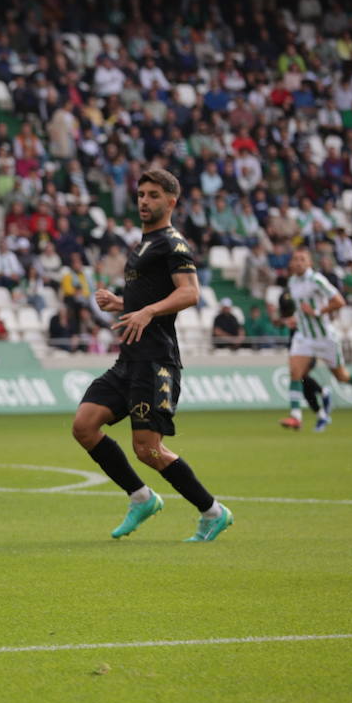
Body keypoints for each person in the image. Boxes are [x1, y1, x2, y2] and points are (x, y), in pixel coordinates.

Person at [71, 170, 234, 542]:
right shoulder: (143, 244)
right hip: (128, 360)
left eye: (153, 195)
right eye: (141, 194)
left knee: (148, 449)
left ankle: (213, 511)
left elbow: (190, 293)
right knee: (84, 426)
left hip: (156, 362)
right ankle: (141, 497)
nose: (144, 201)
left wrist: (146, 312)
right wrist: (122, 303)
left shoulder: (173, 243)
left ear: (171, 202)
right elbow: (150, 295)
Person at [278, 246, 352, 432]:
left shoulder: (316, 279)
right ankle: (295, 417)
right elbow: (299, 308)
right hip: (304, 336)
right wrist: (293, 319)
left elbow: (339, 301)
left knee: (342, 376)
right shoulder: (292, 281)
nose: (298, 262)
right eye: (295, 259)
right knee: (295, 372)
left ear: (309, 263)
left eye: (302, 259)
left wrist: (317, 312)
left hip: (324, 337)